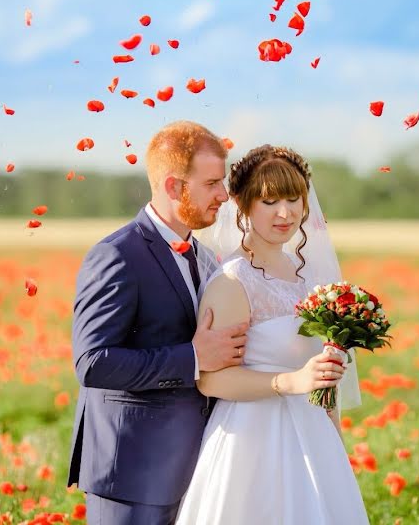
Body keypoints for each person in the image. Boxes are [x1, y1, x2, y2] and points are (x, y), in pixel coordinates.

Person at [67, 120, 251, 524]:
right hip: (132, 474)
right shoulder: (117, 255)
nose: (224, 195)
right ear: (173, 187)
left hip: (197, 469)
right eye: (212, 184)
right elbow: (93, 363)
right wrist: (192, 358)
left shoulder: (203, 257)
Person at [175, 145, 369, 524]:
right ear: (243, 206)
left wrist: (333, 437)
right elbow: (212, 380)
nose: (286, 212)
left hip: (313, 435)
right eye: (270, 200)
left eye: (294, 198)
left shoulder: (309, 279)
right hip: (251, 441)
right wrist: (291, 381)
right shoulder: (232, 281)